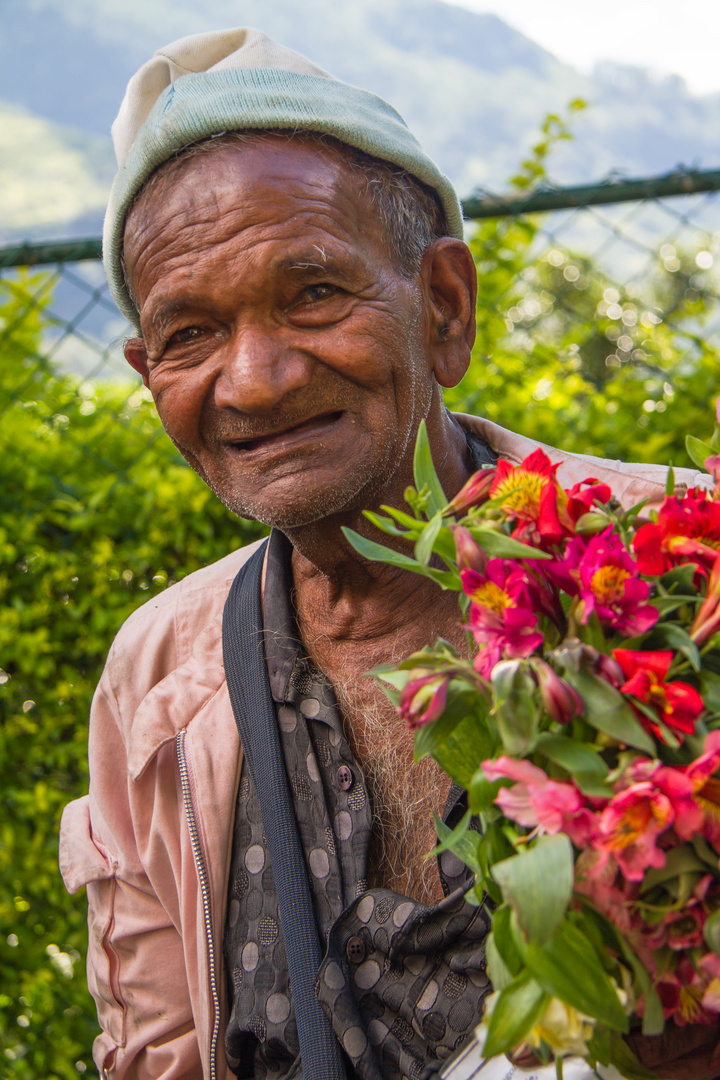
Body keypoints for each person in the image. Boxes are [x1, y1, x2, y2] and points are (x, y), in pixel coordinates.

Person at [59, 27, 718, 1080]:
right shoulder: (156, 681)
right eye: (189, 333)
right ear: (149, 374)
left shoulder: (684, 569)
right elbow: (155, 1055)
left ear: (444, 308)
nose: (255, 380)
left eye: (314, 293)